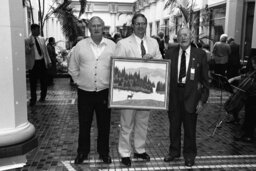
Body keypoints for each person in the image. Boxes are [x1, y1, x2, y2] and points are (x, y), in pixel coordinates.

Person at [114, 13, 162, 167]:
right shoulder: (123, 43)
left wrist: (153, 60)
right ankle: (124, 153)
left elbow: (161, 62)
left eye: (143, 23)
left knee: (143, 122)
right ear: (133, 26)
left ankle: (139, 150)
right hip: (129, 90)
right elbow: (117, 66)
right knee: (126, 123)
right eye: (138, 24)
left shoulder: (154, 43)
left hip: (147, 90)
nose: (141, 26)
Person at [68, 16, 116, 164]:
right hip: (84, 93)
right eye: (93, 26)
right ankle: (82, 152)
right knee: (84, 124)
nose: (96, 28)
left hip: (104, 92)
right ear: (89, 28)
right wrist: (79, 81)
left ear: (103, 28)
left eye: (99, 26)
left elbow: (119, 67)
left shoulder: (112, 46)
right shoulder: (80, 46)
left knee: (104, 124)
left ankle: (104, 152)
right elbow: (72, 67)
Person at [164, 27, 209, 167]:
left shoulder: (200, 54)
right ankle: (174, 151)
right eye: (180, 35)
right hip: (174, 95)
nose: (183, 38)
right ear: (177, 37)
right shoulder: (169, 53)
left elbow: (205, 81)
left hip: (191, 97)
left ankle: (189, 155)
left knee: (190, 129)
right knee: (174, 127)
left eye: (186, 35)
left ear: (191, 37)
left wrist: (202, 101)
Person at [229, 55, 256, 142]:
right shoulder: (254, 72)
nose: (253, 65)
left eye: (254, 64)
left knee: (251, 116)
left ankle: (249, 135)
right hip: (250, 96)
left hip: (253, 97)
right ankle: (245, 132)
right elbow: (245, 76)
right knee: (248, 115)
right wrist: (233, 78)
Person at [25, 24, 51, 106]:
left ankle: (43, 97)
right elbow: (26, 52)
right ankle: (33, 99)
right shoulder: (27, 40)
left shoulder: (42, 39)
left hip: (42, 62)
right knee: (33, 82)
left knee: (44, 81)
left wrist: (49, 61)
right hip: (33, 64)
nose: (39, 31)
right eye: (37, 30)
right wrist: (30, 46)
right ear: (32, 30)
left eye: (39, 30)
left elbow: (45, 51)